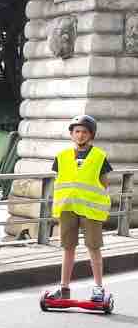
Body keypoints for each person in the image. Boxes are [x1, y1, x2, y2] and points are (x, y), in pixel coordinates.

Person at [49, 114, 112, 301]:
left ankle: (98, 288)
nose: (80, 135)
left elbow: (104, 184)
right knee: (68, 248)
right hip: (67, 208)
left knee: (94, 248)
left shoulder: (100, 157)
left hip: (91, 210)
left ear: (91, 135)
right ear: (71, 134)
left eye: (85, 132)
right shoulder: (61, 157)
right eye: (77, 131)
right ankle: (64, 288)